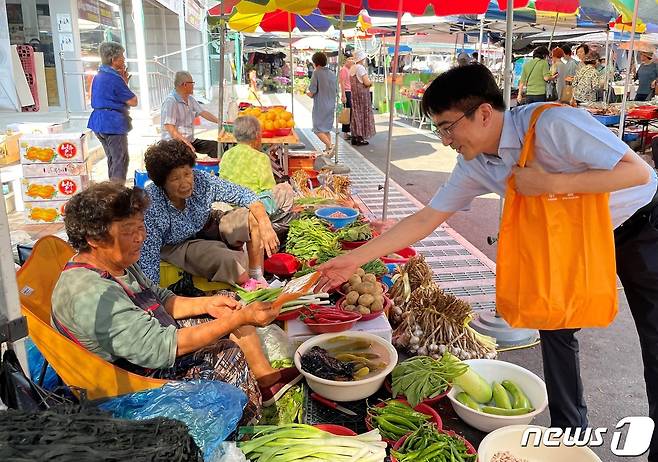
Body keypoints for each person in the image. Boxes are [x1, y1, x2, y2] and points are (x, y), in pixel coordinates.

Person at [316, 64, 658, 461]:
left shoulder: (555, 124)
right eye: (439, 130)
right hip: (571, 239)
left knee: (654, 338)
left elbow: (639, 173)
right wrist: (352, 259)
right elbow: (428, 217)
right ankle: (569, 436)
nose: (445, 141)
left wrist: (553, 184)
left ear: (483, 113)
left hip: (639, 226)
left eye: (448, 127)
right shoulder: (476, 162)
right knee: (553, 324)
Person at [52, 182, 302, 422]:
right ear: (94, 239)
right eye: (129, 231)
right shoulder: (91, 293)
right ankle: (240, 428)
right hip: (132, 376)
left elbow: (159, 298)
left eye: (141, 227)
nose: (140, 237)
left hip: (152, 339)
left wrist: (208, 305)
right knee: (227, 354)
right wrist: (238, 320)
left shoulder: (116, 262)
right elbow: (159, 349)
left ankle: (265, 380)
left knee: (227, 302)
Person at [138, 139, 279, 288]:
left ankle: (258, 277)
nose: (185, 183)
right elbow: (149, 256)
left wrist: (265, 224)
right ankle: (249, 284)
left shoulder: (202, 180)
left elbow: (245, 195)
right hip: (176, 245)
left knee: (251, 218)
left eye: (187, 174)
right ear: (162, 182)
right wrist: (152, 298)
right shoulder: (152, 204)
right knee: (232, 264)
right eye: (175, 179)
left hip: (206, 224)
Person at [219, 115, 294, 215]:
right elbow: (268, 187)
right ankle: (278, 218)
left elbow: (222, 182)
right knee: (286, 189)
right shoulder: (261, 158)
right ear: (257, 135)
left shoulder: (226, 155)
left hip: (230, 204)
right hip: (254, 206)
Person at [87, 41, 137, 182]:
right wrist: (124, 82)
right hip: (112, 123)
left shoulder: (99, 76)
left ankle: (111, 190)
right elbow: (133, 101)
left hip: (99, 123)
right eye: (122, 56)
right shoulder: (114, 78)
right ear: (114, 60)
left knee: (112, 159)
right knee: (120, 160)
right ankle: (117, 194)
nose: (124, 59)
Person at [161, 71, 219, 158]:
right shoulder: (171, 101)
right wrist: (187, 144)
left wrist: (221, 122)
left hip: (189, 141)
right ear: (185, 85)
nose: (193, 86)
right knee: (191, 159)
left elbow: (203, 112)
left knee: (215, 147)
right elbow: (170, 129)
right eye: (192, 83)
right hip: (174, 144)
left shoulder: (190, 99)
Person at [306, 52, 337, 154]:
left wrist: (306, 92)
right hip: (331, 105)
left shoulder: (317, 72)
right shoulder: (332, 73)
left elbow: (312, 92)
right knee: (326, 129)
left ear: (315, 62)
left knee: (318, 129)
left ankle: (330, 146)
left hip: (321, 106)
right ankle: (328, 150)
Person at [349, 50, 376, 146]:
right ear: (362, 59)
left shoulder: (352, 67)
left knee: (356, 115)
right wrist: (371, 82)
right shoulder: (360, 68)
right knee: (363, 115)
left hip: (354, 95)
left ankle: (355, 136)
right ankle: (360, 137)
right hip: (362, 96)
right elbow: (366, 82)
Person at [339, 57, 355, 140]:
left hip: (351, 92)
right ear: (346, 61)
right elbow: (342, 82)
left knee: (350, 112)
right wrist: (343, 95)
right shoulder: (344, 70)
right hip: (347, 92)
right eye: (350, 59)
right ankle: (345, 132)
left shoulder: (350, 69)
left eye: (353, 59)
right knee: (347, 112)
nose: (352, 61)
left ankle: (349, 131)